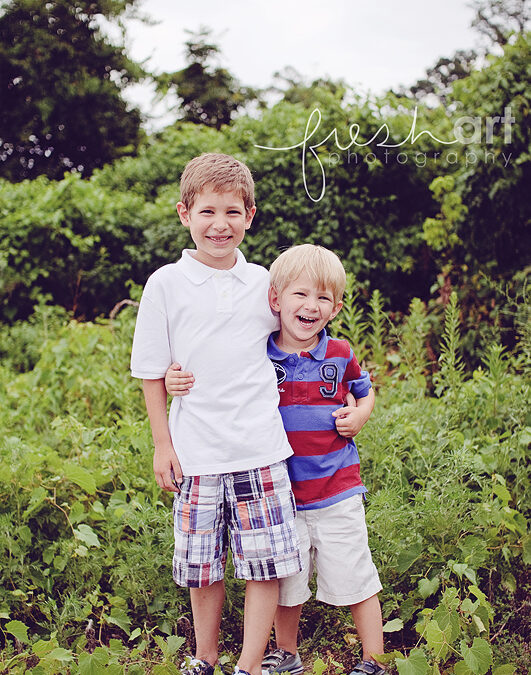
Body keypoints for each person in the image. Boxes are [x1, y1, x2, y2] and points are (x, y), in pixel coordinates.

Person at [166, 244, 385, 675]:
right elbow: (216, 368)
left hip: (338, 489)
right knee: (287, 581)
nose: (311, 306)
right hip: (283, 492)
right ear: (275, 302)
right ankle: (287, 653)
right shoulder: (261, 353)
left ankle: (374, 658)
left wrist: (359, 415)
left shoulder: (339, 353)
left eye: (323, 298)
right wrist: (176, 375)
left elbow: (365, 390)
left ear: (336, 306)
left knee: (356, 573)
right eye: (300, 295)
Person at [130, 153, 302, 675]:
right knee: (203, 568)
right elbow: (151, 371)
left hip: (260, 449)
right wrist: (163, 444)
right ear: (185, 214)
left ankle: (249, 664)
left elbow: (301, 329)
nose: (219, 224)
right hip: (196, 452)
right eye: (207, 212)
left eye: (232, 212)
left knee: (264, 565)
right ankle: (205, 657)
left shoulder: (265, 284)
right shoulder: (165, 284)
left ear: (250, 215)